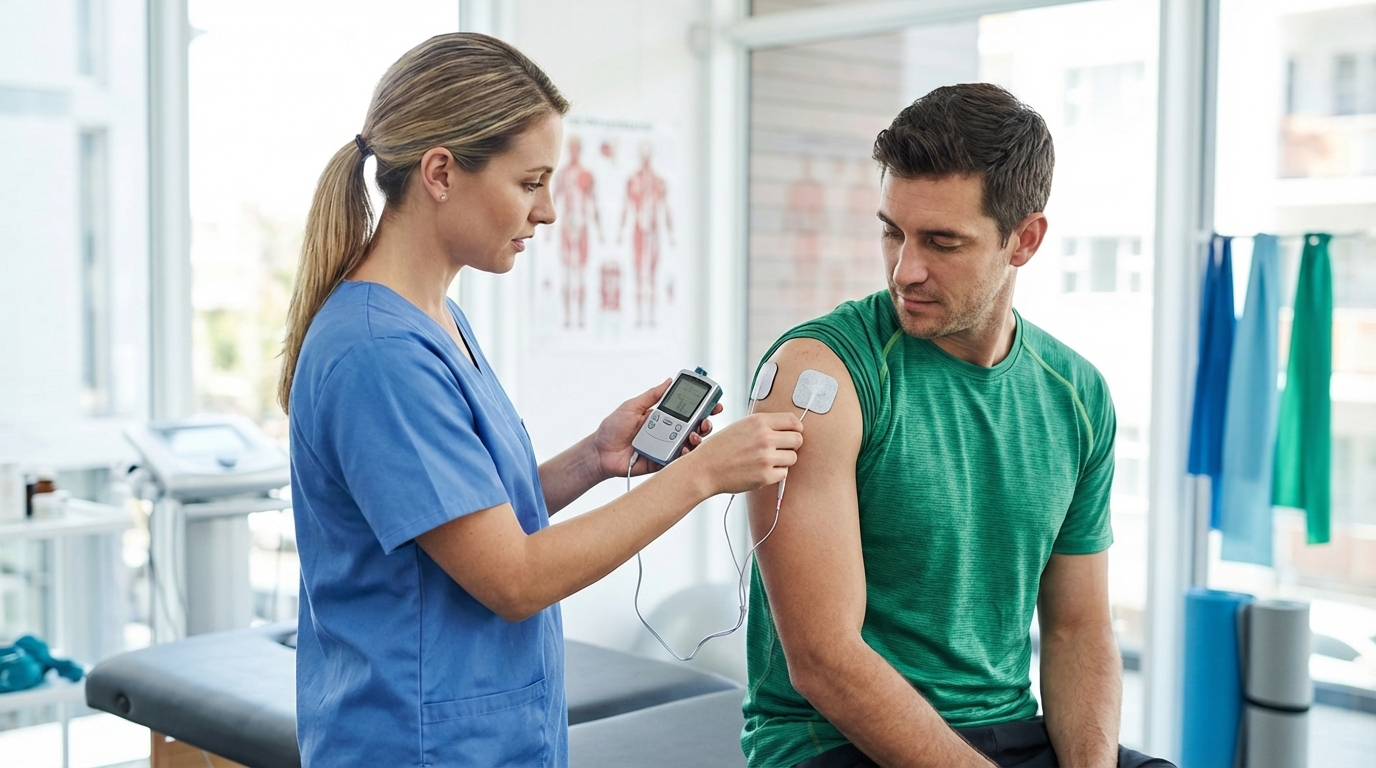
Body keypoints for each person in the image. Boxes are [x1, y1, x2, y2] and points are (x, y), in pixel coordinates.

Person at [277, 33, 803, 768]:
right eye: (530, 183)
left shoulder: (436, 320)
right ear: (440, 173)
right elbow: (514, 578)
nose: (548, 212)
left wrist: (593, 458)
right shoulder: (378, 352)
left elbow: (464, 518)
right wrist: (702, 475)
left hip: (491, 737)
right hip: (419, 746)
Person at [740, 84, 1174, 768]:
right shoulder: (823, 376)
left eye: (942, 242)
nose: (904, 270)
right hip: (834, 742)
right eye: (893, 232)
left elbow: (1076, 629)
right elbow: (824, 662)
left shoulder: (1078, 394)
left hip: (1009, 730)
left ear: (1024, 240)